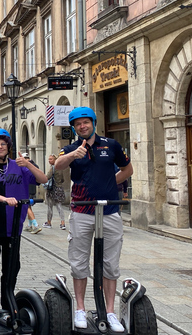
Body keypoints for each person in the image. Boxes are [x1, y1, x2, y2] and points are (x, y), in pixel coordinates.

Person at [54, 107, 133, 333]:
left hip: (109, 212)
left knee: (110, 263)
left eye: (85, 122)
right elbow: (57, 166)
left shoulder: (111, 145)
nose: (82, 126)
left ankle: (110, 311)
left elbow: (128, 169)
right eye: (77, 124)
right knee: (79, 262)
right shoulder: (70, 148)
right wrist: (73, 155)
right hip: (81, 212)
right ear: (74, 128)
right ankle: (80, 308)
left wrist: (111, 182)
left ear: (93, 122)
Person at [0, 129, 46, 311]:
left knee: (11, 268)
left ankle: (7, 304)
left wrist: (28, 164)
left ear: (8, 146)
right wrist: (4, 199)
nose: (0, 147)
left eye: (3, 143)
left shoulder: (20, 165)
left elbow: (43, 179)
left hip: (14, 225)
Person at [42, 154, 66, 230]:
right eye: (49, 159)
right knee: (59, 206)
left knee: (50, 206)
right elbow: (62, 179)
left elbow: (47, 177)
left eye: (51, 159)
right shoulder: (60, 168)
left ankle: (49, 222)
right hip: (59, 189)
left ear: (55, 160)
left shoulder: (52, 168)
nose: (49, 161)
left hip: (52, 190)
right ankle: (63, 223)